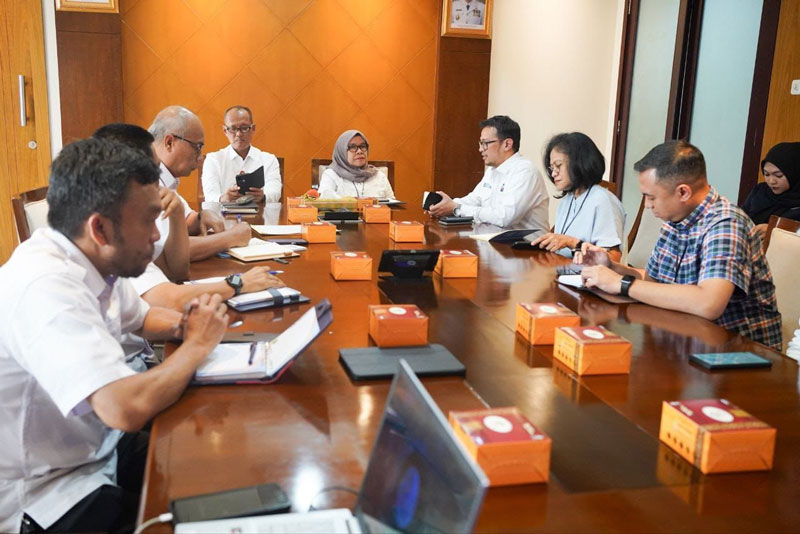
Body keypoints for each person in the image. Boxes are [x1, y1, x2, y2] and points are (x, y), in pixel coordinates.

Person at [0, 138, 229, 533]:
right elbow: (124, 408)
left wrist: (181, 325)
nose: (156, 238)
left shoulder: (89, 256)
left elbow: (142, 317)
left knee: (219, 465)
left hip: (97, 452)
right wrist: (196, 346)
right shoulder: (45, 286)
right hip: (50, 495)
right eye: (148, 221)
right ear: (101, 228)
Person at [577, 140, 782, 350]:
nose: (647, 205)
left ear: (683, 192)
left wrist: (622, 284)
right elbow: (654, 281)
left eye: (651, 197)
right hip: (685, 336)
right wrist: (614, 268)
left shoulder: (726, 224)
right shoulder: (675, 219)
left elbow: (708, 303)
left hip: (740, 353)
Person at [150, 105, 252, 261]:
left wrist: (201, 217)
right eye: (197, 147)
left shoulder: (166, 178)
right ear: (169, 142)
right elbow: (170, 251)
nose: (200, 157)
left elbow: (184, 221)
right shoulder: (145, 179)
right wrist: (231, 237)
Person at [93, 122, 190, 282]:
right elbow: (170, 297)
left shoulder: (137, 203)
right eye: (152, 173)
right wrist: (241, 283)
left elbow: (176, 272)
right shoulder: (113, 217)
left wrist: (177, 213)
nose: (158, 181)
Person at [428, 115, 549, 230]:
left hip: (527, 248)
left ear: (507, 144)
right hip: (496, 243)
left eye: (485, 143)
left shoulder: (525, 172)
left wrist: (457, 208)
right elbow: (475, 199)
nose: (481, 149)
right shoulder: (492, 170)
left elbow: (505, 217)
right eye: (480, 143)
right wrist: (445, 205)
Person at [531, 132, 626, 261]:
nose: (554, 173)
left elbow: (613, 258)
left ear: (580, 162)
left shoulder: (603, 200)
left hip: (588, 278)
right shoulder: (567, 200)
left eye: (558, 165)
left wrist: (571, 242)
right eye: (552, 168)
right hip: (562, 271)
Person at [202, 106, 282, 203]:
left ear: (253, 129)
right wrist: (224, 198)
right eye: (233, 128)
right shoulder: (213, 160)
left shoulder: (269, 160)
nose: (239, 134)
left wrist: (263, 196)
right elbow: (210, 196)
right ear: (225, 131)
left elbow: (275, 192)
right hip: (223, 216)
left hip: (260, 215)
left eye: (244, 128)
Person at [741, 141, 800, 242]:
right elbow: (741, 217)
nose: (771, 181)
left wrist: (774, 230)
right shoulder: (760, 191)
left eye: (778, 175)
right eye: (766, 174)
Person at [318, 130, 395, 199]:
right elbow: (324, 201)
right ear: (342, 151)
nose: (359, 151)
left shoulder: (379, 176)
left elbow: (392, 206)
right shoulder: (331, 175)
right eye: (352, 147)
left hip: (376, 215)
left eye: (363, 146)